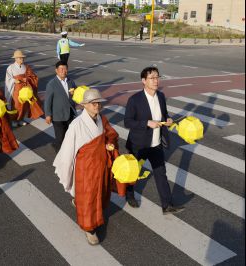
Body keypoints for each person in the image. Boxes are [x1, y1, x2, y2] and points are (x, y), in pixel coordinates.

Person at [53, 89, 120, 245]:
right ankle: (89, 229)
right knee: (89, 196)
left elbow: (111, 135)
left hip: (101, 165)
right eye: (93, 103)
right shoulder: (77, 124)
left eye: (98, 103)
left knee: (100, 193)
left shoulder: (102, 120)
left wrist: (109, 144)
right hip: (86, 167)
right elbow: (68, 149)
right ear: (85, 105)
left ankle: (93, 215)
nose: (97, 106)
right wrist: (66, 168)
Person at [124, 66, 185, 214]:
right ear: (143, 81)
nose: (156, 80)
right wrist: (146, 123)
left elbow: (163, 114)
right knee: (133, 173)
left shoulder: (161, 96)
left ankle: (167, 205)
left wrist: (168, 120)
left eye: (157, 77)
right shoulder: (135, 100)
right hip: (139, 145)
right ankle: (129, 193)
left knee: (160, 173)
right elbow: (127, 122)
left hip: (156, 144)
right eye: (152, 78)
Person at [4, 50, 44, 127]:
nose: (22, 59)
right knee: (16, 104)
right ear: (15, 59)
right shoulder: (10, 68)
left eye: (22, 58)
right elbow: (8, 79)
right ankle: (14, 120)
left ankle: (21, 119)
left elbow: (33, 76)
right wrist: (14, 80)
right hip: (16, 88)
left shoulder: (26, 67)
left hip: (25, 88)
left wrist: (28, 79)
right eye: (20, 58)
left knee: (24, 104)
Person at [44, 61, 77, 152]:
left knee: (70, 136)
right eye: (61, 69)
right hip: (57, 115)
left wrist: (75, 93)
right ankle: (60, 157)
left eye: (65, 68)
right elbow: (48, 101)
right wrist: (48, 115)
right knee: (60, 138)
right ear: (56, 70)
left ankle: (68, 153)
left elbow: (77, 95)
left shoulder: (71, 81)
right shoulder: (52, 84)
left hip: (70, 113)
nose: (63, 71)